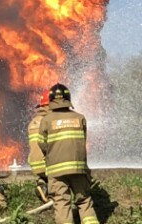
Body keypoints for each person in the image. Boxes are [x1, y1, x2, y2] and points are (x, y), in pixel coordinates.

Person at [38, 83, 99, 224]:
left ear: (51, 100)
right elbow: (82, 140)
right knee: (84, 201)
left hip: (56, 170)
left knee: (61, 202)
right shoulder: (80, 118)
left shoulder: (46, 120)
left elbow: (42, 144)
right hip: (78, 168)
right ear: (68, 98)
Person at [27, 89, 52, 203]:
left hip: (34, 165)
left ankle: (43, 182)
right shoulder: (50, 121)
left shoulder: (33, 122)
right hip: (47, 165)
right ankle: (51, 188)